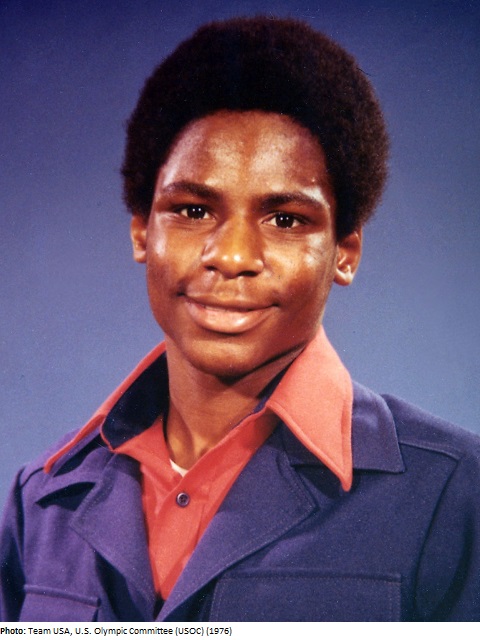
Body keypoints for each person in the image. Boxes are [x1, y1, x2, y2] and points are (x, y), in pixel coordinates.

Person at [1, 16, 479, 623]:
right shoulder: (43, 502)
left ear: (345, 252)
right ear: (142, 231)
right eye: (193, 210)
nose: (231, 256)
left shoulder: (454, 495)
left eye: (285, 220)